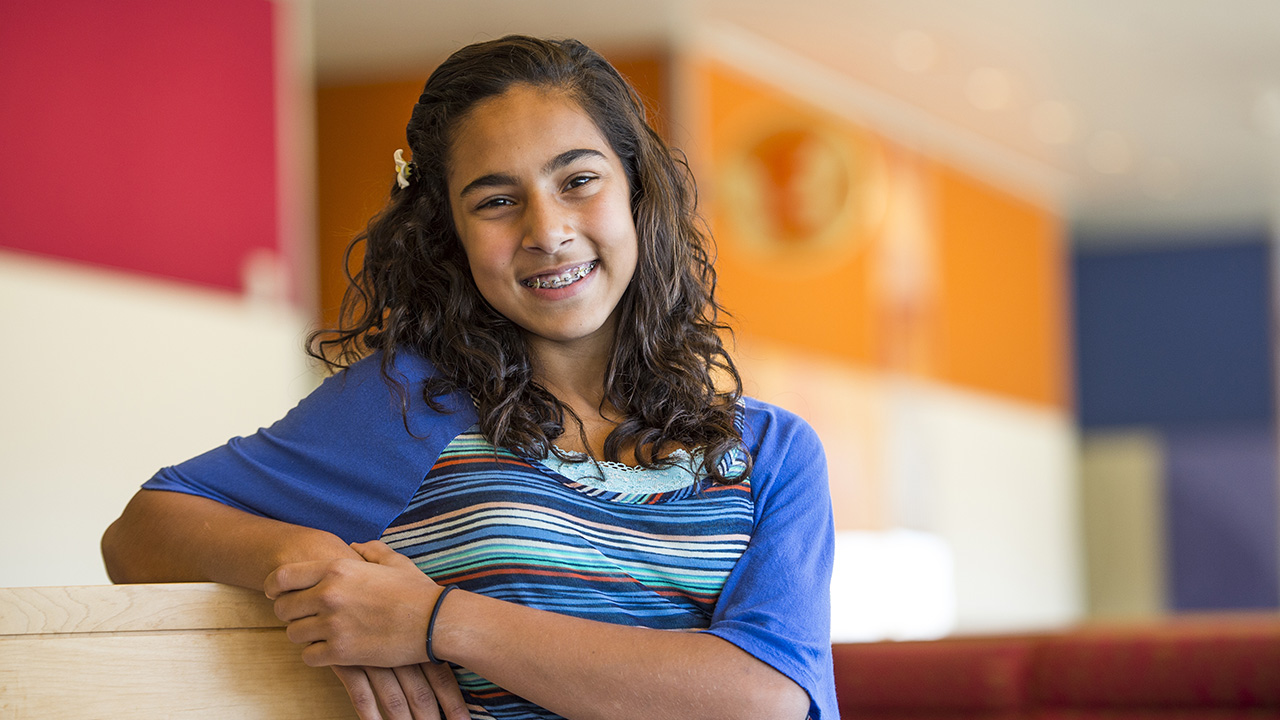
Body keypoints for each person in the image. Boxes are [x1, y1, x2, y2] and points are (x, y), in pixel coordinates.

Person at [102, 35, 837, 720]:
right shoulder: (411, 405)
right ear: (448, 231)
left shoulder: (771, 450)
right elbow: (138, 536)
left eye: (578, 179)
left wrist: (435, 622)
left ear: (637, 194)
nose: (546, 231)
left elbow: (766, 697)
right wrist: (313, 561)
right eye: (496, 201)